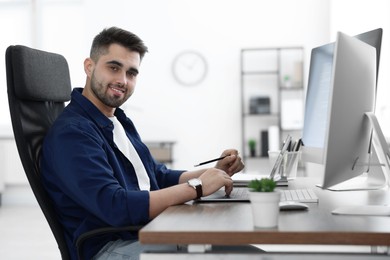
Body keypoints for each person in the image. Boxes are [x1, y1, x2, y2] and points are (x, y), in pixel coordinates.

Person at [41, 26, 245, 260]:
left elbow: (156, 176)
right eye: (114, 67)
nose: (122, 80)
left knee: (246, 251)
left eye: (132, 73)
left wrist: (213, 172)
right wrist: (197, 186)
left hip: (145, 233)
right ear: (89, 67)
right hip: (112, 248)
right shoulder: (73, 133)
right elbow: (115, 206)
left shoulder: (118, 120)